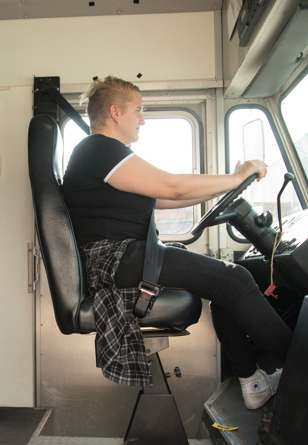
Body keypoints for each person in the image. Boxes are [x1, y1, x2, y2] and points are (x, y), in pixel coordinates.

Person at [62, 76, 293, 410]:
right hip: (117, 260)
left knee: (226, 287)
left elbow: (164, 199)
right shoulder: (98, 149)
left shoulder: (102, 155)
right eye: (138, 111)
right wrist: (237, 176)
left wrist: (224, 187)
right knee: (236, 279)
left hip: (125, 258)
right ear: (115, 112)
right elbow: (172, 188)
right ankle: (307, 368)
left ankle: (254, 383)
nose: (142, 119)